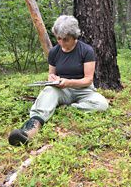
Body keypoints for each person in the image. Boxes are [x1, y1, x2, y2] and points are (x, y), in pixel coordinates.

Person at [8, 15, 109, 146]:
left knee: (102, 104)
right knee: (49, 91)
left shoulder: (86, 51)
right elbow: (51, 75)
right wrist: (53, 79)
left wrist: (68, 82)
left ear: (74, 37)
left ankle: (67, 109)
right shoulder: (54, 52)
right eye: (59, 38)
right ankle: (29, 130)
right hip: (62, 90)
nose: (61, 42)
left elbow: (88, 80)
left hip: (83, 90)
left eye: (65, 39)